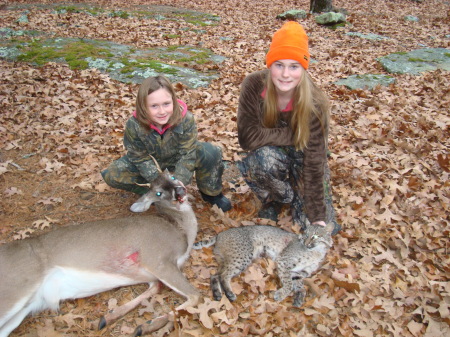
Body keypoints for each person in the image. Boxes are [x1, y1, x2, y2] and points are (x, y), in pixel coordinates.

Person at [236, 21, 340, 234]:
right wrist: (297, 135)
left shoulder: (315, 104)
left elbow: (314, 162)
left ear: (303, 69)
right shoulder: (254, 85)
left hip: (305, 159)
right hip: (273, 155)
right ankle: (275, 199)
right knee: (260, 160)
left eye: (294, 66)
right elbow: (247, 138)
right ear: (269, 65)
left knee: (318, 225)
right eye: (279, 64)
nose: (285, 74)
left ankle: (299, 201)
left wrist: (317, 216)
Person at [102, 75, 231, 212]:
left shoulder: (186, 119)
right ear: (143, 107)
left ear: (174, 101)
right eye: (154, 106)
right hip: (152, 163)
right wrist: (160, 182)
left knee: (211, 152)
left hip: (177, 160)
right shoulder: (134, 125)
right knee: (112, 174)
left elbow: (188, 153)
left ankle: (210, 193)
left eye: (166, 104)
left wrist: (179, 181)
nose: (162, 111)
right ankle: (155, 193)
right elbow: (139, 157)